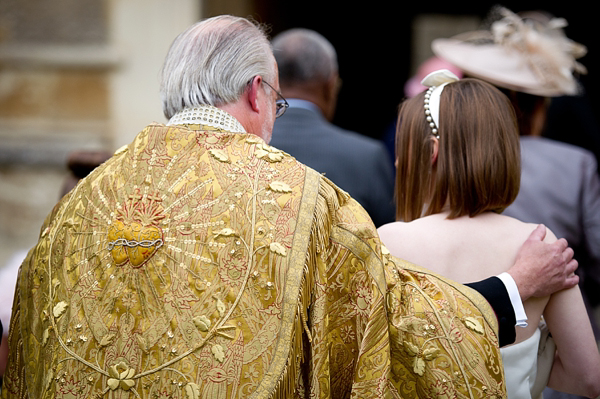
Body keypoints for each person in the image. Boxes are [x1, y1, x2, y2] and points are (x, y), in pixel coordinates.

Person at [0, 15, 578, 399]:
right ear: (257, 92)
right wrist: (511, 286)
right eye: (277, 100)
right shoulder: (301, 197)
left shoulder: (80, 203)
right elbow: (391, 326)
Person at [377, 69, 600, 398]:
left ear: (432, 151)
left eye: (403, 149)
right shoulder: (539, 243)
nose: (397, 163)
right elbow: (589, 379)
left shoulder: (390, 241)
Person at [432, 9, 600, 398]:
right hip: (559, 347)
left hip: (460, 341)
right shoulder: (575, 164)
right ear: (539, 106)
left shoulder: (444, 162)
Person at [269, 28, 395, 227]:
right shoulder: (367, 156)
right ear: (331, 85)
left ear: (269, 83)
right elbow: (388, 243)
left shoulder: (241, 149)